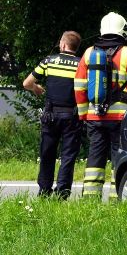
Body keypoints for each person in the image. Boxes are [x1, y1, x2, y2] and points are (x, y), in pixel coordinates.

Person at [74, 12, 127, 199]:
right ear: (123, 30)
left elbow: (80, 86)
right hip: (120, 118)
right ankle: (117, 198)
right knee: (119, 157)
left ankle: (90, 198)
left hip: (94, 116)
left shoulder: (89, 53)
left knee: (95, 158)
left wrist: (83, 115)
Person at [23, 31, 82, 199]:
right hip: (72, 116)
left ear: (63, 45)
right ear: (76, 47)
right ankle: (62, 193)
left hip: (50, 116)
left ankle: (44, 191)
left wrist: (37, 89)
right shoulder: (80, 65)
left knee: (47, 153)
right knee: (68, 156)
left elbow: (27, 83)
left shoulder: (48, 61)